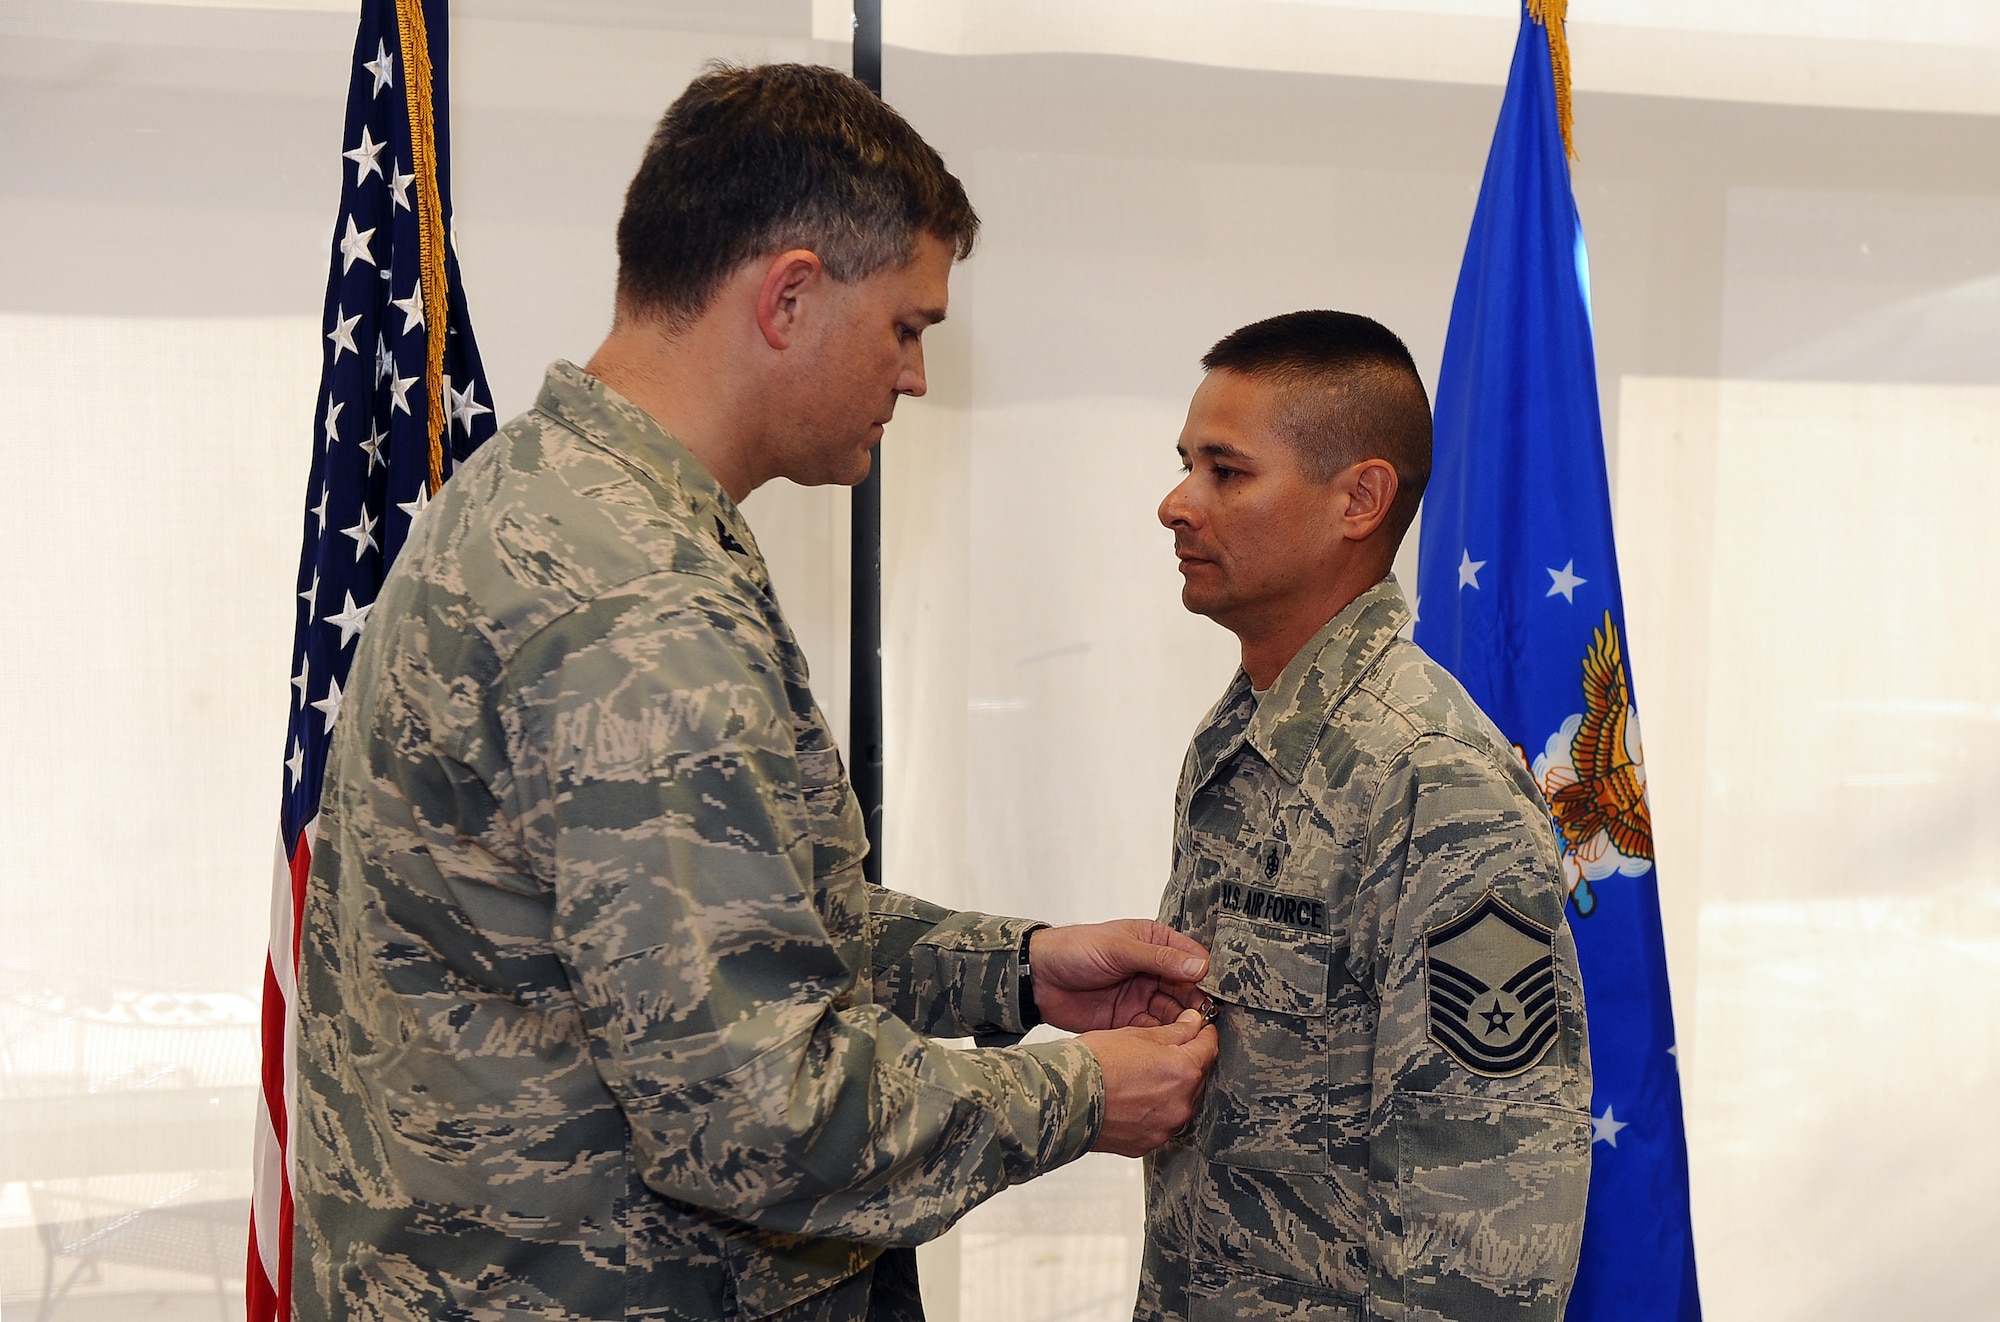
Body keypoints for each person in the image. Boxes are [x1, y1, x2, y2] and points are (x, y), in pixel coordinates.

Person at [292, 63, 1219, 1322]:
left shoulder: (553, 503)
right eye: (906, 326)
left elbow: (727, 933)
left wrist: (1017, 971)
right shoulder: (635, 602)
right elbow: (757, 1113)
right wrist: (1077, 1092)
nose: (914, 379)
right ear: (787, 296)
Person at [1139, 311, 1592, 1320]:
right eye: (1185, 465)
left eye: (1224, 470)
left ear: (1359, 499)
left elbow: (1489, 1232)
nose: (1176, 503)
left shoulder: (1433, 780)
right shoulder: (1240, 735)